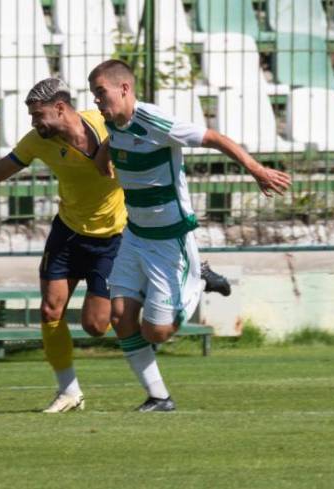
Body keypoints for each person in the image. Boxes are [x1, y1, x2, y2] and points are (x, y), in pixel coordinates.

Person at [87, 60, 292, 412]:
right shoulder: (113, 120)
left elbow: (213, 138)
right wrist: (103, 156)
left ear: (124, 88)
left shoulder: (155, 121)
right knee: (119, 318)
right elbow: (115, 137)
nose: (96, 100)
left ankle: (199, 277)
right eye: (94, 94)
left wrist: (257, 170)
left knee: (156, 332)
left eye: (100, 92)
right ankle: (159, 397)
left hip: (170, 239)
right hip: (135, 236)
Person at [0, 78, 125, 413]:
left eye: (38, 115)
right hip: (68, 233)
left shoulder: (104, 124)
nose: (35, 122)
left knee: (96, 326)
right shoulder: (38, 141)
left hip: (112, 238)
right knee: (50, 310)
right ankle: (69, 391)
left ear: (60, 108)